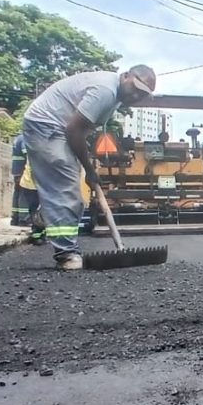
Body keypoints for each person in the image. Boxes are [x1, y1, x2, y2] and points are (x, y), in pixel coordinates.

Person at [22, 65, 156, 269]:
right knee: (66, 191)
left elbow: (81, 130)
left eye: (142, 94)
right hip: (45, 126)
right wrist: (90, 169)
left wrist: (88, 166)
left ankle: (46, 217)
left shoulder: (115, 96)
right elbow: (74, 130)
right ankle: (66, 255)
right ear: (126, 75)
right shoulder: (106, 91)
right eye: (135, 87)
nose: (137, 95)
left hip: (57, 128)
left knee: (71, 195)